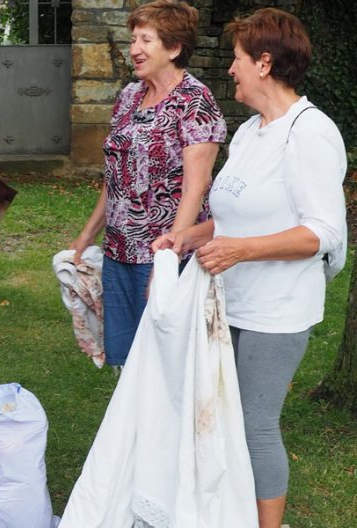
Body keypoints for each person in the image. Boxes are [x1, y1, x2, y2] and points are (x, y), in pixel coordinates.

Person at [153, 8, 347, 527]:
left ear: (264, 63)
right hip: (230, 301)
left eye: (238, 59)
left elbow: (321, 232)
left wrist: (242, 251)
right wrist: (190, 236)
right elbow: (233, 215)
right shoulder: (250, 132)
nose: (231, 69)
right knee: (224, 418)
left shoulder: (310, 134)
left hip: (277, 311)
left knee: (255, 424)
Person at [70, 0, 226, 369]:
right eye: (133, 39)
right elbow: (115, 177)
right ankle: (133, 428)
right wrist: (87, 235)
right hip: (118, 251)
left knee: (165, 361)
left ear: (173, 48)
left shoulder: (195, 102)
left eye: (145, 40)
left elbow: (195, 188)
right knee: (126, 360)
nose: (134, 49)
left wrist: (168, 257)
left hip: (163, 253)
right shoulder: (128, 97)